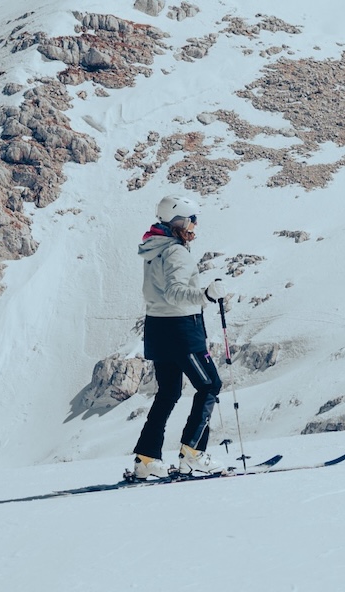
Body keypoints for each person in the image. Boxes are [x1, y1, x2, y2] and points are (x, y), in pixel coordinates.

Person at [126, 194, 234, 480]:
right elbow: (175, 293)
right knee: (210, 385)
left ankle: (147, 459)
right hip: (181, 329)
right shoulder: (175, 251)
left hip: (157, 328)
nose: (195, 224)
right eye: (192, 219)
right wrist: (206, 295)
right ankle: (194, 454)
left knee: (168, 392)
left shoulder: (155, 247)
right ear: (179, 221)